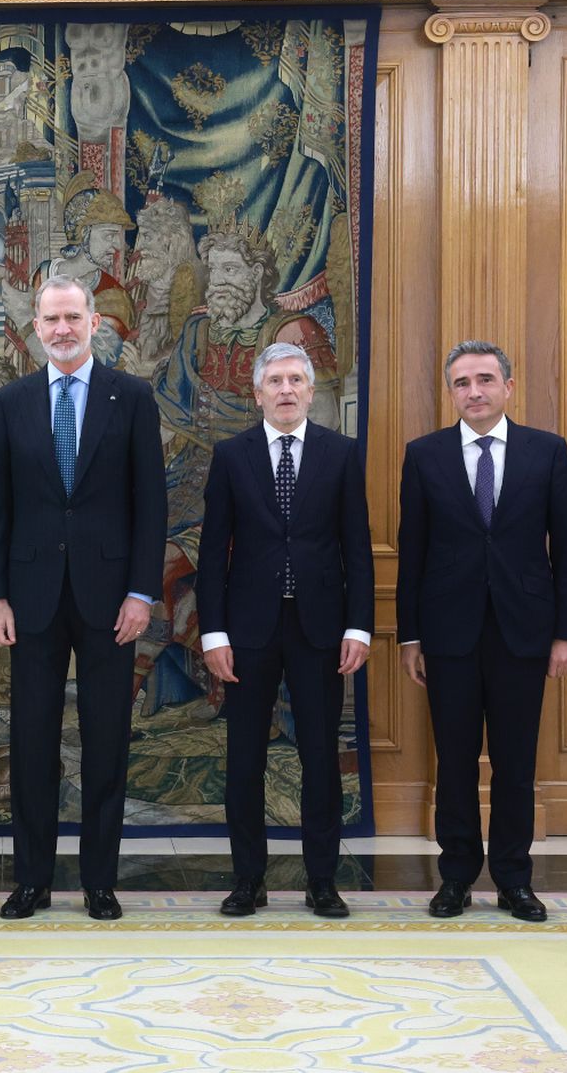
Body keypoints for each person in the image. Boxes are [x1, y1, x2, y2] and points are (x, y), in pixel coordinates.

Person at [0, 275, 166, 921]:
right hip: (30, 600)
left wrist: (143, 591)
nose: (62, 328)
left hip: (112, 601)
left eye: (73, 317)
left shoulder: (132, 396)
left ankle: (99, 882)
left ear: (94, 323)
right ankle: (31, 880)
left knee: (106, 741)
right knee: (32, 744)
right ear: (36, 325)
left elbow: (151, 505)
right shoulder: (12, 401)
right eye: (51, 318)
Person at [397, 340, 567, 923]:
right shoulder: (423, 455)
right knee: (452, 763)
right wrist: (409, 636)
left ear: (508, 385)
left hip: (524, 634)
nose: (473, 391)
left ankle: (513, 880)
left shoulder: (546, 452)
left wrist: (565, 634)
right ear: (450, 391)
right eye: (461, 382)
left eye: (483, 379)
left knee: (515, 764)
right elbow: (412, 553)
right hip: (448, 635)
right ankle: (454, 878)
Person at [197, 342, 374, 920]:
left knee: (320, 756)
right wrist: (213, 634)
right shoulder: (231, 455)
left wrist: (360, 626)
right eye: (275, 380)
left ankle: (322, 881)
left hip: (321, 629)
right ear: (258, 392)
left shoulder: (341, 455)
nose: (286, 389)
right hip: (247, 631)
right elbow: (212, 554)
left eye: (296, 379)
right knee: (244, 758)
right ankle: (248, 879)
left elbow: (357, 549)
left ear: (311, 390)